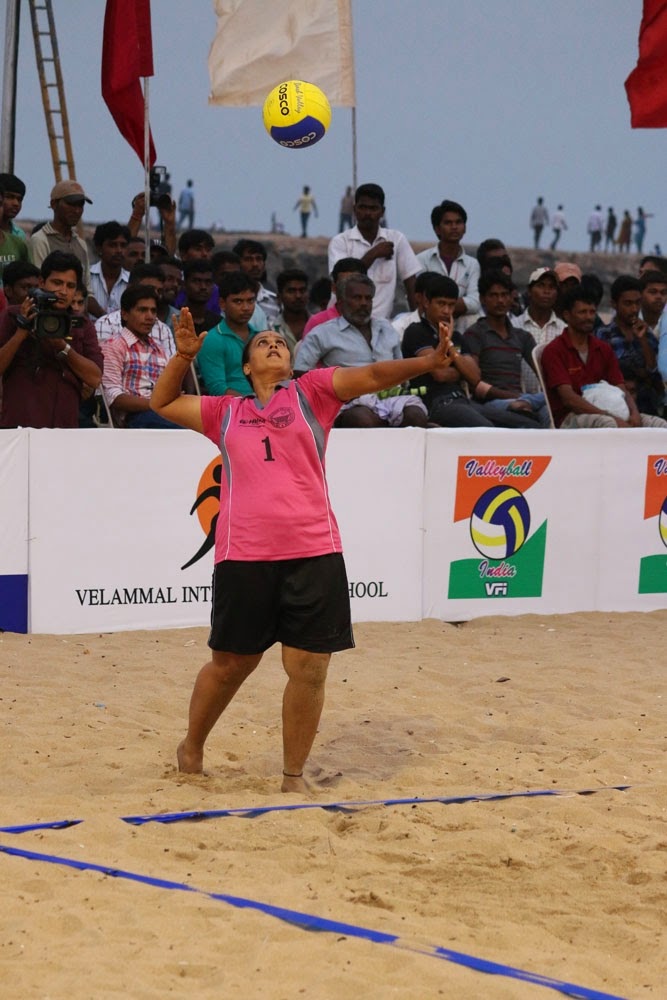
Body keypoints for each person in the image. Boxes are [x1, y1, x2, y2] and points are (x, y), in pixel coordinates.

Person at [148, 309, 454, 788]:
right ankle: (192, 744)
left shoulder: (312, 392)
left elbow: (373, 374)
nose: (273, 345)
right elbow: (162, 402)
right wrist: (183, 356)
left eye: (281, 343)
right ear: (246, 368)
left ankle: (292, 776)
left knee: (308, 668)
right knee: (231, 665)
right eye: (262, 343)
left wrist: (429, 362)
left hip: (313, 550)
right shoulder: (226, 412)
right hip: (244, 556)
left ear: (291, 363)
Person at [294, 273, 429, 428]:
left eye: (368, 298)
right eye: (357, 298)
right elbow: (300, 376)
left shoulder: (386, 328)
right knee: (363, 419)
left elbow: (401, 370)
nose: (364, 303)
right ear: (341, 302)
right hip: (348, 402)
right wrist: (334, 391)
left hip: (390, 398)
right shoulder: (322, 334)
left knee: (416, 416)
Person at [0, 250, 103, 428]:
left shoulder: (81, 324)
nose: (63, 291)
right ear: (41, 282)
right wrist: (22, 331)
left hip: (64, 424)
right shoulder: (14, 315)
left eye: (70, 286)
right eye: (57, 283)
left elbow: (94, 378)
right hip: (19, 424)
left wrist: (62, 346)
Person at [541, 285, 667, 429]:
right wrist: (610, 417)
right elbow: (569, 399)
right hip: (570, 417)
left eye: (592, 312)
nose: (588, 317)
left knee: (660, 425)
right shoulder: (554, 350)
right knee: (608, 424)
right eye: (582, 312)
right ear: (567, 315)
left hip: (611, 412)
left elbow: (620, 387)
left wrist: (634, 413)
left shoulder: (602, 348)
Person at [402, 274, 495, 427]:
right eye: (441, 303)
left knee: (524, 423)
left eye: (451, 305)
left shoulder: (456, 336)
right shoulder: (416, 331)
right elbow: (440, 374)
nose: (446, 311)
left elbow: (475, 377)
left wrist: (449, 343)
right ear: (426, 302)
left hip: (463, 400)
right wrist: (461, 370)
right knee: (488, 429)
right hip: (435, 403)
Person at [461, 270, 549, 428]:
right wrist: (515, 397)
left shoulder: (522, 336)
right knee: (521, 407)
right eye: (493, 295)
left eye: (504, 295)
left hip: (524, 398)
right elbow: (476, 385)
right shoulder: (475, 334)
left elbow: (544, 373)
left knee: (550, 410)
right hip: (490, 403)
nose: (500, 300)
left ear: (511, 298)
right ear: (483, 299)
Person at [328, 183, 420, 319]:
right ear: (354, 210)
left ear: (382, 211)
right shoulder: (340, 242)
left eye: (373, 208)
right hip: (343, 323)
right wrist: (374, 253)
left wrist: (417, 321)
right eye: (362, 207)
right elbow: (345, 281)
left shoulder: (397, 239)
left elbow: (411, 284)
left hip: (381, 327)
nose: (367, 213)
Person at [101, 285, 182, 429]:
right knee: (185, 430)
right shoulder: (114, 345)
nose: (150, 316)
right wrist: (155, 404)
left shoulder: (158, 348)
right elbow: (113, 397)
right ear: (125, 314)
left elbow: (169, 389)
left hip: (162, 412)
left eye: (153, 311)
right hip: (132, 417)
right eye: (142, 310)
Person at [28, 180, 102, 315]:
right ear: (54, 204)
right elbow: (40, 288)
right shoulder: (40, 240)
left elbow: (86, 291)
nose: (77, 210)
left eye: (81, 205)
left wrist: (108, 320)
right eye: (71, 204)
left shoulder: (80, 244)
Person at [598, 275, 663, 415]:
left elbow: (655, 376)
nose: (634, 309)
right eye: (628, 303)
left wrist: (643, 341)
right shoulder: (604, 335)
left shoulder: (647, 334)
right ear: (614, 304)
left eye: (637, 303)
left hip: (647, 405)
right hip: (615, 406)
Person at [415, 200, 480, 332]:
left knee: (475, 318)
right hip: (428, 324)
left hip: (459, 325)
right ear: (437, 229)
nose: (454, 227)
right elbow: (419, 299)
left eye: (458, 222)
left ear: (465, 227)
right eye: (448, 223)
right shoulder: (422, 260)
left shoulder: (472, 264)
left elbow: (474, 302)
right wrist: (453, 304)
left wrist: (442, 305)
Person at [196, 271, 258, 395]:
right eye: (238, 302)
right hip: (232, 410)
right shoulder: (212, 340)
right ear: (222, 304)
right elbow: (218, 389)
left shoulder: (260, 338)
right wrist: (253, 406)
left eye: (250, 301)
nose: (246, 308)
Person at [513, 268, 565, 393]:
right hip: (519, 400)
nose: (546, 291)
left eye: (552, 287)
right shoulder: (513, 325)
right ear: (529, 291)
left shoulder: (564, 330)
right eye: (541, 285)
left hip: (552, 403)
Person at [302, 257, 367, 336]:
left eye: (356, 284)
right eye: (344, 284)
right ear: (334, 288)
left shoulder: (377, 326)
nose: (350, 290)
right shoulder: (317, 323)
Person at [232, 238, 279, 323]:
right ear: (237, 264)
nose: (255, 264)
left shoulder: (275, 301)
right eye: (248, 259)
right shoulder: (228, 300)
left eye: (259, 259)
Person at [89, 221, 130, 316]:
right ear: (99, 248)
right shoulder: (86, 276)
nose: (119, 250)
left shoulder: (132, 281)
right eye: (112, 245)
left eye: (123, 245)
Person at [272, 268, 309, 352]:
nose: (298, 296)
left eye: (302, 290)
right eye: (291, 291)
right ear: (279, 297)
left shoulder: (319, 326)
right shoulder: (272, 329)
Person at [180, 259, 220, 336]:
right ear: (184, 285)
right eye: (197, 281)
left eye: (208, 282)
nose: (203, 287)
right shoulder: (175, 320)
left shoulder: (219, 324)